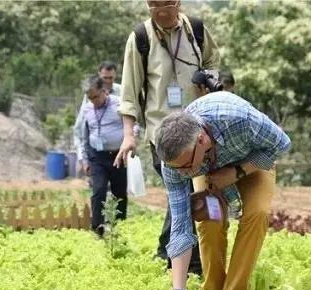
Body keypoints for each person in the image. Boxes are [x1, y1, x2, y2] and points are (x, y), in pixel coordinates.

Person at [154, 91, 291, 290]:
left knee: (257, 214)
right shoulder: (176, 166)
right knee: (210, 220)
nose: (183, 174)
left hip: (252, 164)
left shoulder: (240, 120)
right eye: (176, 168)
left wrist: (237, 172)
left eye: (186, 166)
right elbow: (180, 227)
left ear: (201, 140)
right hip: (210, 173)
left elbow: (281, 144)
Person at [115, 0, 220, 274]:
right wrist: (128, 134)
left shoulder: (196, 30)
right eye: (153, 5)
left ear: (178, 3)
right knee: (184, 192)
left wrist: (207, 78)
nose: (160, 11)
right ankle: (188, 264)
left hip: (197, 132)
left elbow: (213, 62)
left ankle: (168, 252)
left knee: (184, 194)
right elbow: (129, 91)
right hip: (162, 136)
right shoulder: (140, 38)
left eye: (166, 4)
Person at [80, 76, 127, 236]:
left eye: (96, 96)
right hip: (97, 157)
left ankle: (119, 227)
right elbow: (84, 136)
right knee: (98, 190)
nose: (93, 101)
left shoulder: (119, 104)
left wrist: (129, 145)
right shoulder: (87, 109)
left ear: (104, 91)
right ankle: (97, 228)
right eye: (90, 97)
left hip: (117, 155)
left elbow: (131, 126)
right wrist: (85, 159)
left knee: (119, 193)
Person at [73, 61, 122, 174]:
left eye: (111, 78)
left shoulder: (121, 91)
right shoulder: (90, 95)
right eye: (105, 78)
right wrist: (82, 156)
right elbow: (80, 126)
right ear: (99, 76)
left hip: (117, 150)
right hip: (97, 152)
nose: (108, 81)